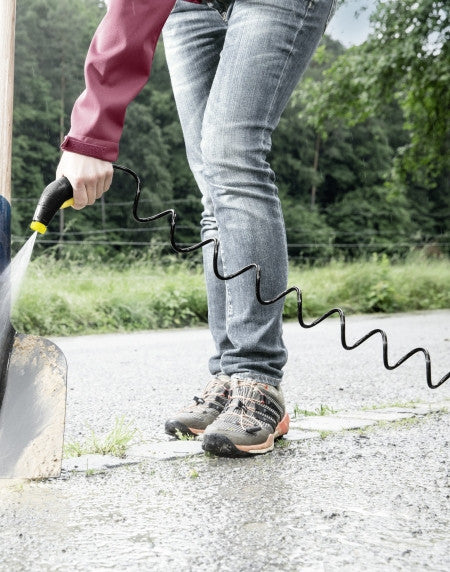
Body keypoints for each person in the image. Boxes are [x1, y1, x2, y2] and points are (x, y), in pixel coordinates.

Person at [56, 0, 337, 457]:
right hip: (190, 5)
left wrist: (92, 131)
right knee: (213, 180)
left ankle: (258, 380)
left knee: (232, 154)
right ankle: (231, 375)